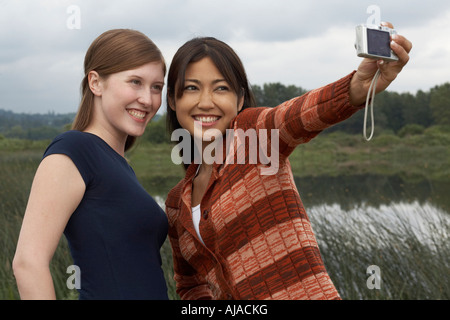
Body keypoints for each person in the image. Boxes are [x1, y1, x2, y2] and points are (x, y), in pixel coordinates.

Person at [165, 22, 412, 300]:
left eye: (221, 88)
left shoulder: (253, 137)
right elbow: (190, 286)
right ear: (173, 101)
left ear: (240, 99)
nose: (206, 102)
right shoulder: (177, 204)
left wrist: (356, 86)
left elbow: (296, 116)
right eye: (191, 88)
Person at [13, 29, 169, 300]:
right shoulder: (75, 149)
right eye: (135, 82)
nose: (148, 99)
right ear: (95, 83)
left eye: (157, 86)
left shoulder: (121, 166)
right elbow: (28, 263)